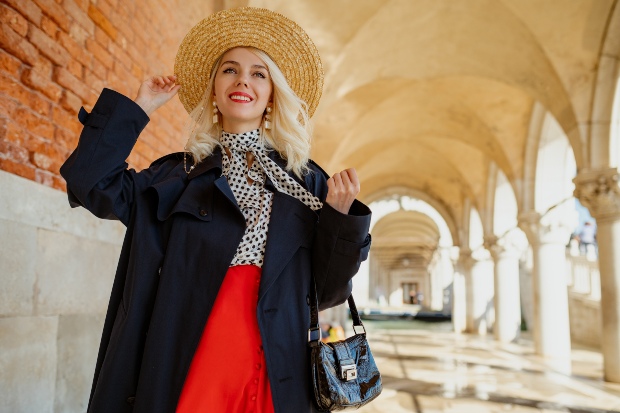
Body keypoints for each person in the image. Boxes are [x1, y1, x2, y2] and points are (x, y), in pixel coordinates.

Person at [59, 7, 371, 413]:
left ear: (273, 94)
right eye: (230, 70)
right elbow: (91, 182)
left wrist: (339, 218)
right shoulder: (175, 177)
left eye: (259, 73)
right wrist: (140, 107)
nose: (243, 80)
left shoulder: (308, 182)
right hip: (190, 353)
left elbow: (329, 291)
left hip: (281, 360)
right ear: (214, 88)